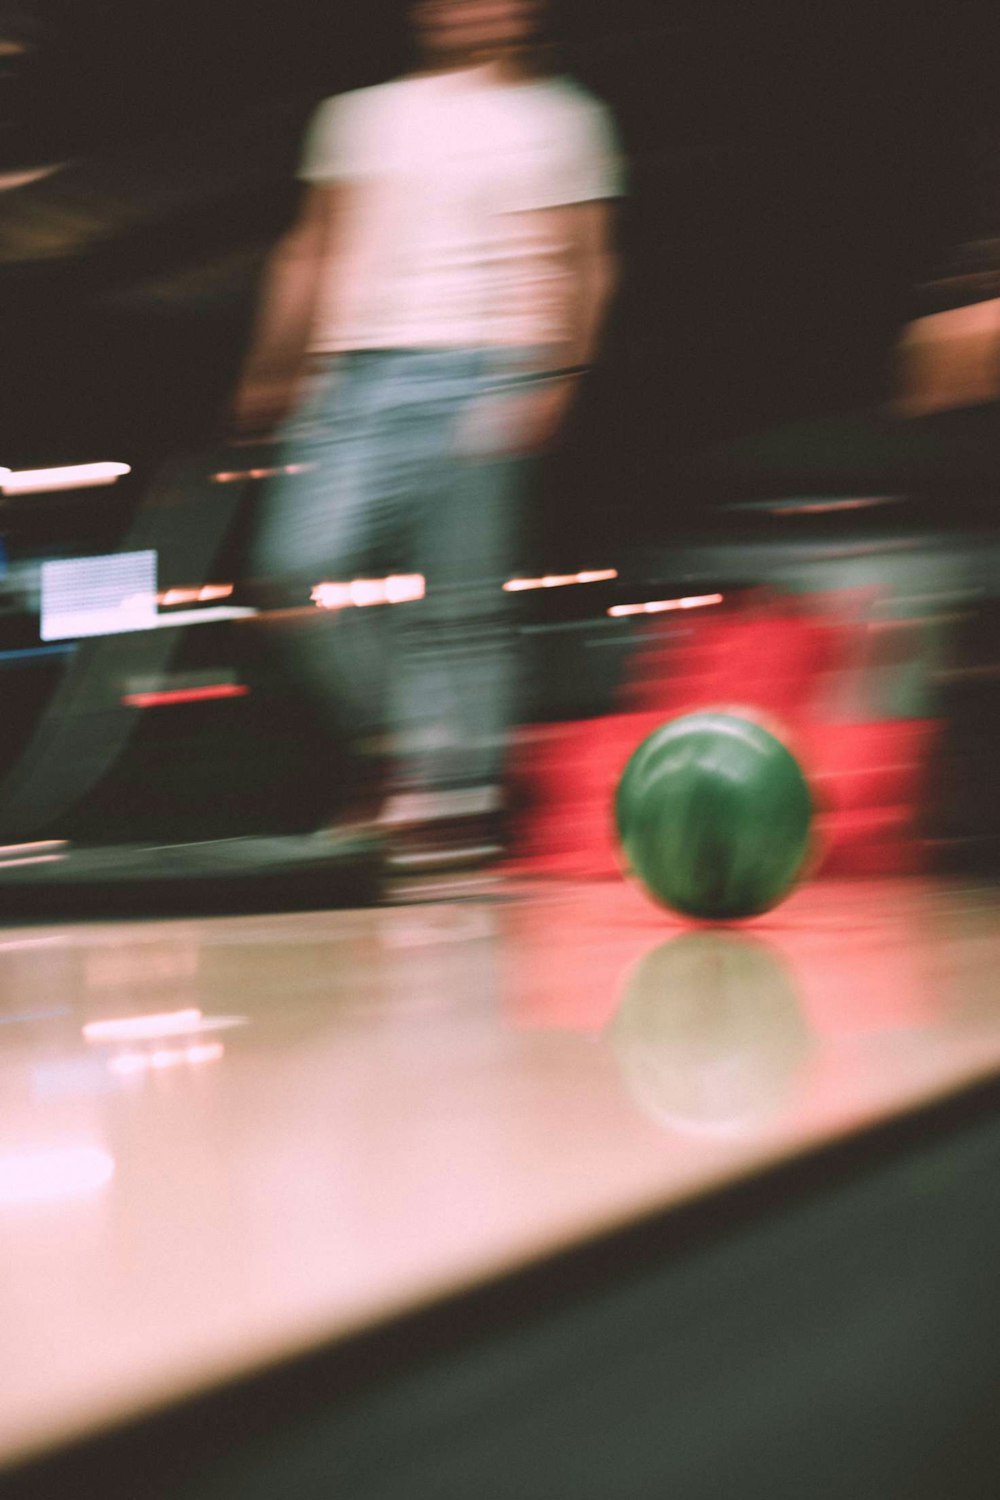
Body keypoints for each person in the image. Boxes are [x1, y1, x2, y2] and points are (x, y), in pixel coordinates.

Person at [233, 0, 623, 871]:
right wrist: (274, 361)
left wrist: (558, 373)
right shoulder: (363, 115)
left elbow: (585, 256)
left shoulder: (562, 119)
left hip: (489, 362)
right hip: (358, 373)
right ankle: (402, 747)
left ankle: (453, 801)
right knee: (296, 566)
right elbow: (314, 245)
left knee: (459, 607)